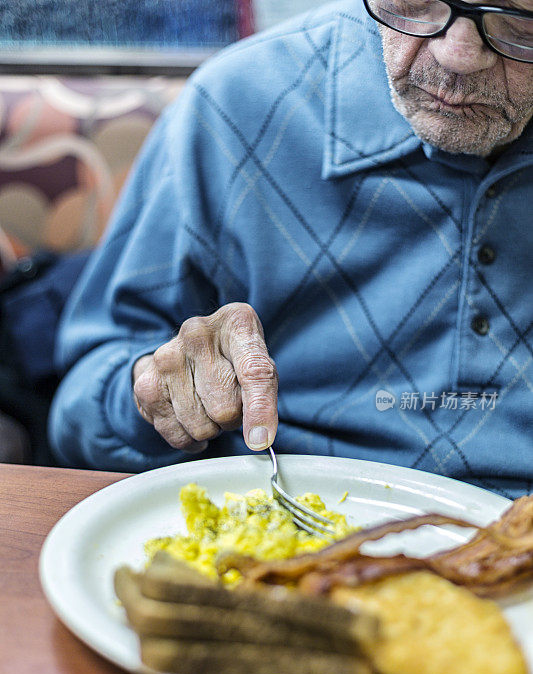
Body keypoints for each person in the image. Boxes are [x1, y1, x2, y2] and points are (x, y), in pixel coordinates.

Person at [49, 0, 533, 500]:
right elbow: (78, 411)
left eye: (520, 15)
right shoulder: (238, 104)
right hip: (284, 529)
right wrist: (159, 393)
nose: (456, 56)